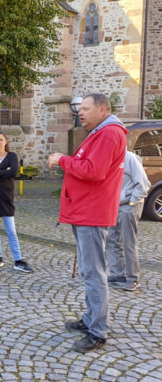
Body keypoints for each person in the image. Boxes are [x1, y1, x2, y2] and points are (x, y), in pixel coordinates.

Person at [48, 93, 127, 353]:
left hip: (91, 214)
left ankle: (98, 331)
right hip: (86, 211)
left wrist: (61, 160)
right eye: (79, 109)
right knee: (89, 271)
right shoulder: (100, 133)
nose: (80, 113)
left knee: (94, 273)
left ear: (102, 109)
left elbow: (93, 170)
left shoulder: (108, 134)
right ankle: (92, 318)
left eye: (85, 108)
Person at [0, 131, 33, 273]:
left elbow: (14, 173)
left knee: (11, 230)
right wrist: (3, 172)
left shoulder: (12, 156)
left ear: (5, 142)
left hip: (6, 198)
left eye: (1, 140)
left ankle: (18, 260)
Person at [105, 151, 151, 291]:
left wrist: (132, 201)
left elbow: (144, 184)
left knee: (128, 241)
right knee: (111, 239)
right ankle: (117, 274)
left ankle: (133, 278)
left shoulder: (129, 158)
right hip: (113, 205)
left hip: (129, 206)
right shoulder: (107, 157)